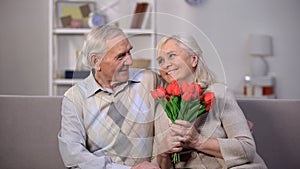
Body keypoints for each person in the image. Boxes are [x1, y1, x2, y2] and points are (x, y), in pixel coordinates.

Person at [153, 34, 267, 169]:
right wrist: (163, 153)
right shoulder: (161, 108)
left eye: (172, 55)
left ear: (194, 59)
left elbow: (247, 148)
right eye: (160, 61)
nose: (166, 64)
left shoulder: (219, 94)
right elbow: (159, 165)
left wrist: (197, 141)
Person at [57, 24, 162, 169]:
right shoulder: (75, 98)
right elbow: (74, 156)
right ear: (96, 62)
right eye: (120, 56)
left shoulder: (149, 80)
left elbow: (182, 95)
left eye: (129, 52)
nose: (130, 61)